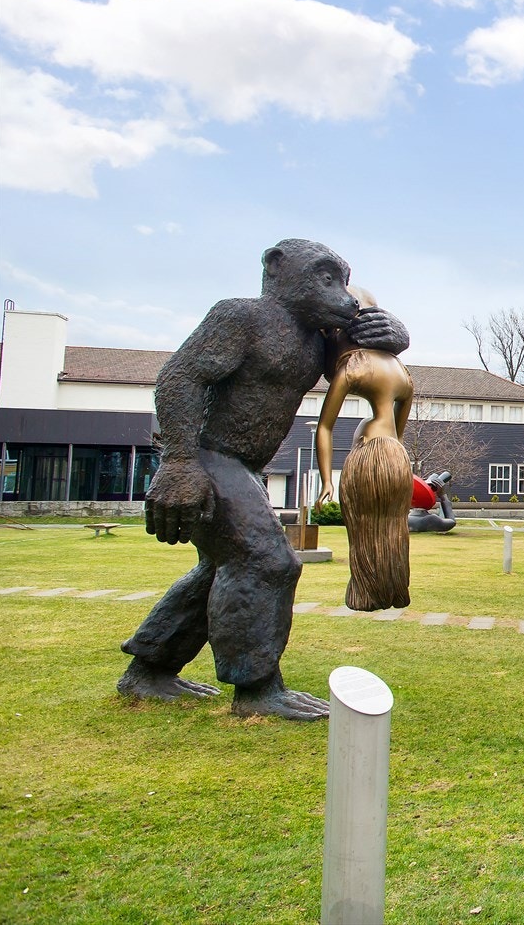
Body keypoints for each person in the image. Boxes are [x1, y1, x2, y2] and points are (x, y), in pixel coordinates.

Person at [120, 240, 408, 721]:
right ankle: (256, 688)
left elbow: (369, 352)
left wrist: (394, 331)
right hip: (209, 457)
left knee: (222, 567)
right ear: (276, 269)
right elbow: (179, 379)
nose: (342, 294)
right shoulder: (241, 318)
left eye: (342, 280)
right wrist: (179, 464)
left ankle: (148, 670)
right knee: (268, 563)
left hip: (244, 468)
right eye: (325, 278)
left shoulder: (318, 341)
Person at [313, 285, 414, 610]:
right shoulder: (402, 373)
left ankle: (365, 591)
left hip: (369, 453)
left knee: (365, 528)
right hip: (397, 459)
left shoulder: (353, 366)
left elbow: (325, 427)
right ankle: (394, 589)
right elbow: (398, 433)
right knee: (393, 528)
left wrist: (327, 481)